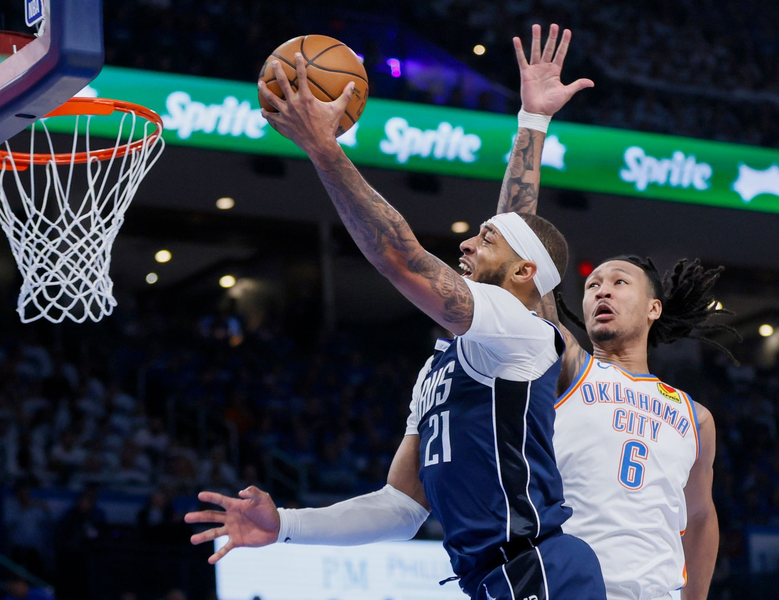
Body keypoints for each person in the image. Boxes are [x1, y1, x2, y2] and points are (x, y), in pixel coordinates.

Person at [187, 24, 604, 600]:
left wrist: (324, 149)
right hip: (492, 577)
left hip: (539, 570)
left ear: (523, 274)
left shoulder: (523, 333)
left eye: (483, 240)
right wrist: (285, 525)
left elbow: (402, 258)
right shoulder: (444, 367)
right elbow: (401, 508)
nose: (464, 244)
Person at [496, 25, 731, 600]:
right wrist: (533, 122)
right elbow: (512, 249)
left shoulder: (695, 417)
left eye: (618, 282)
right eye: (593, 283)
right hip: (567, 588)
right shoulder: (571, 366)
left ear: (653, 307)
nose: (600, 290)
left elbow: (699, 518)